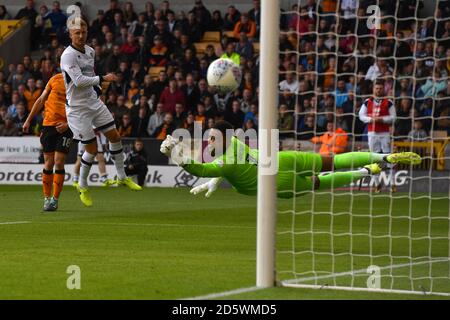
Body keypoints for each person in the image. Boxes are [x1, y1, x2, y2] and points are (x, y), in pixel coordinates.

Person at [160, 120, 421, 199]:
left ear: (224, 139)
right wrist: (218, 179)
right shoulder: (237, 143)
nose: (209, 142)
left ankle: (366, 172)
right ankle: (383, 156)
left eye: (213, 138)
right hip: (282, 159)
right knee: (333, 160)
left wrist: (176, 154)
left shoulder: (224, 162)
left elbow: (202, 168)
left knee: (321, 183)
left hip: (278, 182)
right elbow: (220, 166)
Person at [60, 18, 141, 207]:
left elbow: (88, 75)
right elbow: (79, 81)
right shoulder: (68, 56)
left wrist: (97, 90)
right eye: (77, 32)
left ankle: (122, 177)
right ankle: (83, 186)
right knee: (91, 149)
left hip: (93, 102)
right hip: (77, 109)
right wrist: (103, 78)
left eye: (84, 31)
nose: (81, 35)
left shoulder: (90, 51)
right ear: (70, 34)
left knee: (115, 136)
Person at [22, 73, 71, 211]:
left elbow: (81, 108)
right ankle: (46, 198)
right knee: (48, 163)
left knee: (59, 161)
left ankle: (55, 199)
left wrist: (68, 124)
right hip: (49, 126)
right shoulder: (54, 79)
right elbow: (41, 100)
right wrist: (28, 120)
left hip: (65, 127)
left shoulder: (78, 81)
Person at [359, 79, 396, 192]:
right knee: (373, 157)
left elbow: (393, 117)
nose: (378, 90)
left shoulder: (388, 102)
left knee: (388, 158)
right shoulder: (367, 101)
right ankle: (377, 183)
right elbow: (361, 115)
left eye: (380, 88)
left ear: (383, 89)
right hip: (372, 133)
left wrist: (382, 119)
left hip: (384, 133)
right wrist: (371, 119)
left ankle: (393, 184)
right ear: (373, 89)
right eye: (376, 88)